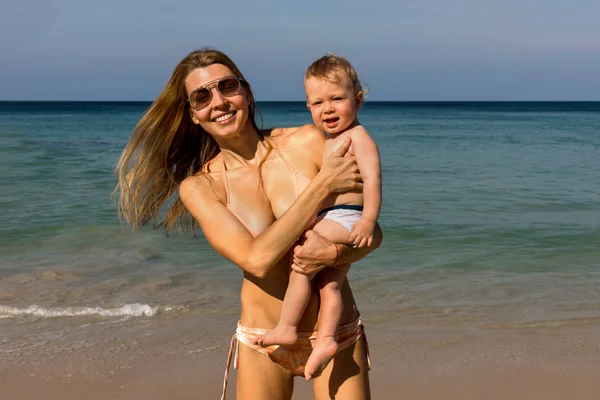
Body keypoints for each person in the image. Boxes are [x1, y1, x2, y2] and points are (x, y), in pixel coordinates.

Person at [114, 48, 382, 400]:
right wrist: (320, 187)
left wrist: (333, 251)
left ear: (246, 91)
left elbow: (369, 232)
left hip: (334, 333)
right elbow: (256, 259)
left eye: (227, 86)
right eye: (202, 96)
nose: (219, 102)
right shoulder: (200, 188)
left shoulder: (309, 141)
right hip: (263, 337)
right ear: (193, 115)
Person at [256, 54, 382, 380]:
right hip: (336, 216)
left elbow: (373, 179)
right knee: (330, 285)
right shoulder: (331, 139)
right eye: (317, 102)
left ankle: (286, 327)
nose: (327, 108)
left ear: (358, 100)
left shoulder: (358, 138)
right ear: (308, 107)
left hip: (347, 217)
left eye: (337, 99)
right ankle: (326, 340)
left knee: (301, 264)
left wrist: (368, 220)